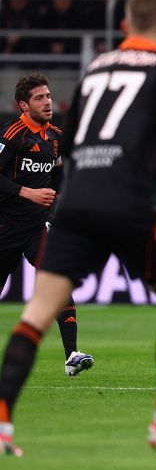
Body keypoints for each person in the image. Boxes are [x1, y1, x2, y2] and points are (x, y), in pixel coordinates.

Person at [0, 0, 156, 456]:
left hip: (76, 204)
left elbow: (70, 141)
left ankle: (2, 427)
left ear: (123, 28)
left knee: (36, 312)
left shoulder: (96, 67)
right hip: (129, 203)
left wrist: (76, 184)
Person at [0, 74, 95, 378]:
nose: (47, 102)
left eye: (49, 96)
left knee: (58, 280)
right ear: (24, 106)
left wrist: (59, 198)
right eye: (39, 98)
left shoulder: (55, 137)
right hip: (5, 226)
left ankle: (72, 356)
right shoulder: (13, 135)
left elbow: (56, 174)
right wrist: (26, 192)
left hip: (37, 226)